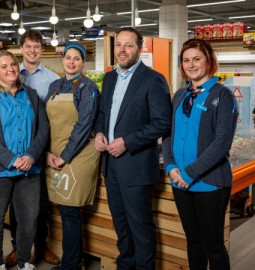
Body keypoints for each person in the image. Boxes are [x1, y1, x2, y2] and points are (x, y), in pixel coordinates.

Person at [94, 27, 172, 270]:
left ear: (139, 48)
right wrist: (98, 132)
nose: (122, 50)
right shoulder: (109, 78)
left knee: (140, 225)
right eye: (119, 45)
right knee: (121, 225)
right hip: (112, 165)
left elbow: (162, 123)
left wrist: (127, 141)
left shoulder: (153, 79)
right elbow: (103, 114)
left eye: (128, 45)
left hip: (136, 165)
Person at [162, 39, 238, 270]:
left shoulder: (222, 95)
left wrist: (189, 173)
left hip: (210, 184)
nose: (191, 65)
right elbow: (168, 135)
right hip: (180, 182)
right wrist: (171, 166)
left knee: (213, 244)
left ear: (209, 61)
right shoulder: (179, 95)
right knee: (193, 242)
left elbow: (221, 143)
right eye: (186, 60)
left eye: (197, 59)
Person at [0, 50, 49, 270]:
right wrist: (12, 159)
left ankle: (24, 262)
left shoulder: (31, 95)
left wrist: (31, 155)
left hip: (29, 170)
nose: (10, 69)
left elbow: (43, 128)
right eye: (3, 67)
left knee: (29, 219)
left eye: (13, 64)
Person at [5, 29, 60, 268]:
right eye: (28, 46)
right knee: (16, 204)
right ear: (21, 48)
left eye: (37, 47)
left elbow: (52, 117)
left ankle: (41, 244)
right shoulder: (10, 74)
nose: (32, 50)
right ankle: (18, 247)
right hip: (15, 150)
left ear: (42, 49)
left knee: (41, 202)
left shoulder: (51, 78)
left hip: (41, 147)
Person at [44, 43, 100, 270]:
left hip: (79, 154)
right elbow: (47, 123)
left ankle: (71, 264)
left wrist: (64, 157)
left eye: (77, 58)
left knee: (70, 211)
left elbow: (84, 126)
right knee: (63, 210)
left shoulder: (88, 88)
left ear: (83, 62)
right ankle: (74, 261)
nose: (71, 62)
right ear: (63, 60)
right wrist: (46, 152)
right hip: (55, 153)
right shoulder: (55, 85)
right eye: (68, 57)